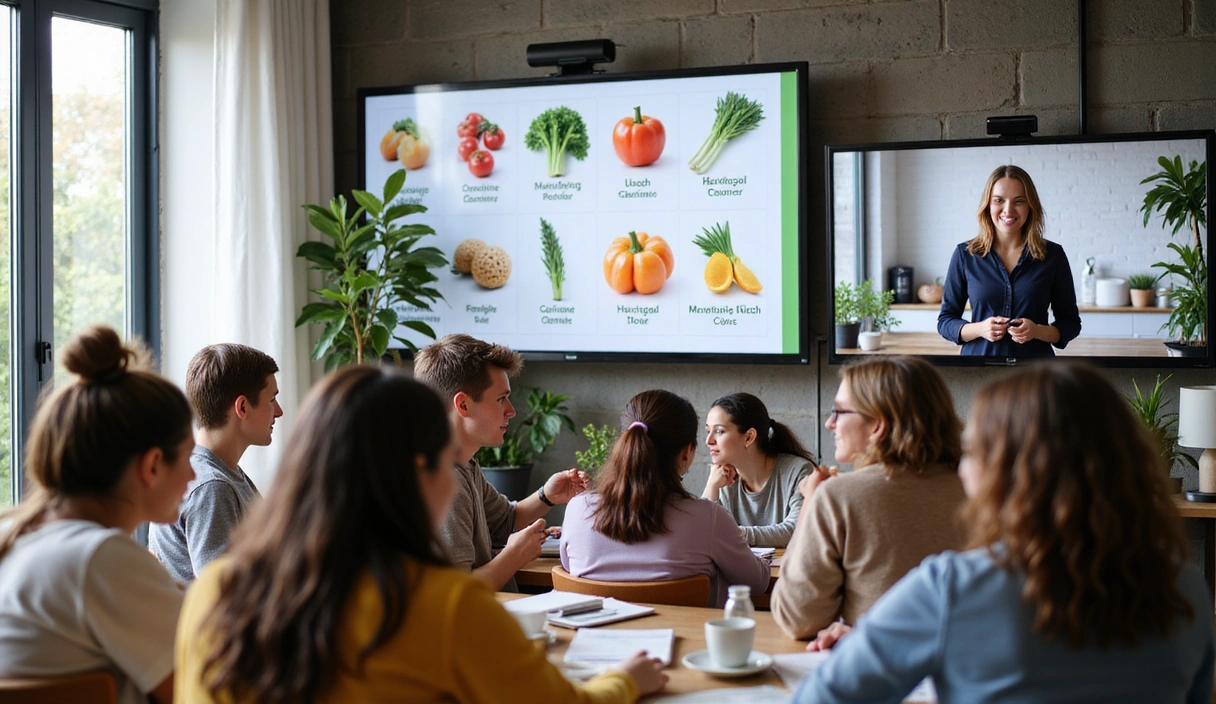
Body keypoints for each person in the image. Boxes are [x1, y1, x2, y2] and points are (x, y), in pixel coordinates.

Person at [175, 367, 666, 703]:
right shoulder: (447, 606)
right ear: (417, 473)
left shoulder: (214, 592)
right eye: (444, 459)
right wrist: (625, 681)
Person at [794, 364, 1214, 703]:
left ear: (1011, 473)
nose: (960, 469)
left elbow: (820, 698)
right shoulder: (1187, 588)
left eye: (972, 451)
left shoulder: (951, 588)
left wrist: (878, 644)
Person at [0, 325, 194, 704]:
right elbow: (205, 693)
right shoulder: (100, 557)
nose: (193, 475)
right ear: (153, 465)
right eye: (188, 457)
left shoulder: (14, 537)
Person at [771, 356, 967, 643]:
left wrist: (809, 505)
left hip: (882, 665)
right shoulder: (981, 490)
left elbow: (797, 618)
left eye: (839, 411)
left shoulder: (839, 496)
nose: (829, 423)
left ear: (877, 425)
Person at [561, 389, 771, 607]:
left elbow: (569, 568)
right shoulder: (708, 518)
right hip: (687, 630)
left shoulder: (577, 509)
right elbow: (757, 583)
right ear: (687, 453)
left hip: (597, 630)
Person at [413, 333, 588, 591]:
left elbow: (505, 519)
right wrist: (514, 555)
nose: (511, 411)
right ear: (463, 405)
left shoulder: (465, 465)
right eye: (500, 399)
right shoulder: (446, 484)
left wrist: (547, 496)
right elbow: (455, 591)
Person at [150, 343, 282, 584]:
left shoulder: (223, 474)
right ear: (242, 407)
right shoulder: (212, 487)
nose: (279, 411)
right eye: (272, 399)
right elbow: (221, 594)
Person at [937, 164, 1081, 356]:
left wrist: (1037, 331)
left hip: (1036, 369)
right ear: (988, 204)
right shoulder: (964, 255)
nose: (1008, 210)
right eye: (999, 200)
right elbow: (945, 321)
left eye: (1019, 201)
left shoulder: (1053, 255)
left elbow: (1070, 323)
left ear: (1030, 206)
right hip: (978, 367)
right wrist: (980, 329)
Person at [700, 392, 815, 548]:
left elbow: (795, 530)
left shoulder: (799, 471)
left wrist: (734, 534)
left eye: (719, 431)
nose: (708, 441)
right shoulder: (722, 479)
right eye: (708, 431)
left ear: (749, 437)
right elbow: (702, 534)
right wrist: (711, 486)